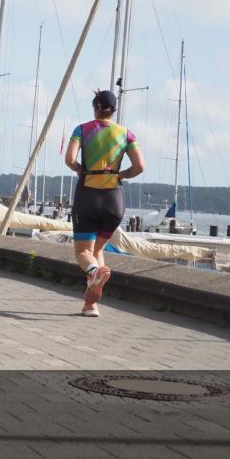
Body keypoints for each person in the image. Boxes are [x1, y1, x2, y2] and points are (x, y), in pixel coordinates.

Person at [64, 89, 145, 317]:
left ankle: (93, 271)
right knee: (98, 249)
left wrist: (80, 169)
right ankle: (91, 305)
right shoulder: (127, 134)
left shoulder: (81, 130)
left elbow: (70, 159)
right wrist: (121, 175)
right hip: (114, 200)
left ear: (95, 108)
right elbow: (140, 166)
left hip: (88, 195)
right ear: (113, 110)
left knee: (83, 253)